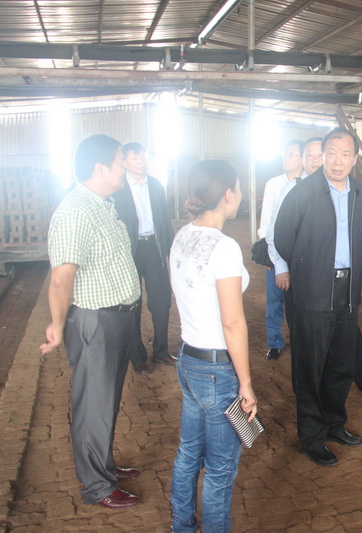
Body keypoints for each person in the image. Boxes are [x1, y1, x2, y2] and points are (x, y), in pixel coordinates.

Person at [40, 134, 142, 509]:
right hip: (95, 322)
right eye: (119, 162)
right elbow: (61, 278)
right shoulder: (76, 211)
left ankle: (104, 466)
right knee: (93, 405)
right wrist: (57, 324)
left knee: (107, 400)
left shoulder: (103, 204)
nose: (124, 167)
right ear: (99, 168)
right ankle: (97, 486)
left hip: (116, 318)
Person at [267, 137, 362, 403]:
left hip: (341, 282)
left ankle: (353, 392)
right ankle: (312, 410)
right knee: (309, 346)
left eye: (320, 155)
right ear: (304, 160)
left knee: (342, 340)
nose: (318, 161)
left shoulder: (352, 192)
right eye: (311, 156)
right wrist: (291, 266)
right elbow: (277, 234)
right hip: (304, 279)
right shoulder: (296, 191)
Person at [169, 159, 257, 533]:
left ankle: (182, 526)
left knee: (189, 453)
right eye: (238, 187)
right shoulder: (224, 248)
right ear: (228, 194)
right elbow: (232, 322)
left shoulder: (182, 235)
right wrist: (246, 383)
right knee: (220, 468)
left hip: (188, 358)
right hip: (217, 369)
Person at [273, 127, 362, 466]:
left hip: (347, 289)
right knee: (310, 367)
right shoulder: (303, 192)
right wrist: (306, 265)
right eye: (332, 153)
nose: (337, 161)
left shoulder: (359, 193)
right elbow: (282, 237)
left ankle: (334, 424)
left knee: (340, 363)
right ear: (323, 155)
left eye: (345, 154)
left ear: (354, 159)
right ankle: (311, 437)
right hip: (313, 289)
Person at [111, 142, 175, 374]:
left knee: (161, 301)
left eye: (143, 157)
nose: (141, 161)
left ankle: (161, 351)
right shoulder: (118, 189)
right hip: (131, 250)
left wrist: (168, 251)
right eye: (135, 158)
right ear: (125, 162)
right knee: (132, 303)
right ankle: (137, 356)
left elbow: (165, 221)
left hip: (153, 247)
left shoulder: (155, 186)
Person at [257, 140, 304, 361]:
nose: (285, 158)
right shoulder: (273, 184)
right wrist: (268, 253)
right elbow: (266, 221)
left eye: (291, 154)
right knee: (274, 300)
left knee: (300, 301)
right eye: (284, 154)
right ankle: (274, 343)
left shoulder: (309, 184)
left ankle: (300, 340)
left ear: (302, 158)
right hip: (276, 251)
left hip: (301, 254)